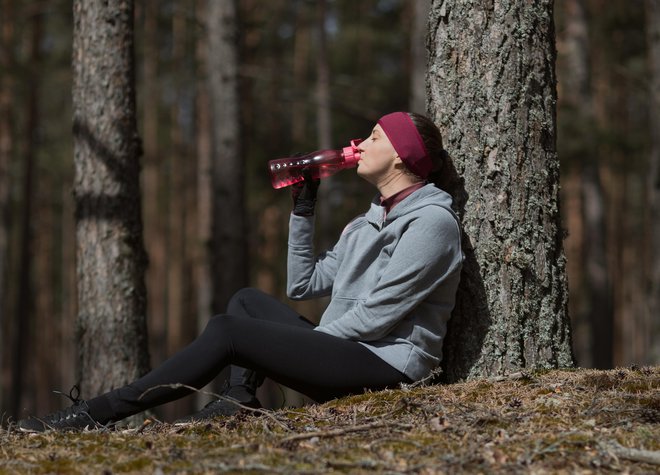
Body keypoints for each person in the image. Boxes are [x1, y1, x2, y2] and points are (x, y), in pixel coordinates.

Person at [17, 111, 463, 432]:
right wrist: (303, 211)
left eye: (374, 137)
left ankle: (97, 413)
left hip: (387, 366)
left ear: (403, 157)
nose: (359, 145)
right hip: (349, 351)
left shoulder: (432, 225)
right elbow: (302, 284)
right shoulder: (368, 220)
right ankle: (237, 401)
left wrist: (304, 345)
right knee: (247, 301)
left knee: (231, 331)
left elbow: (378, 317)